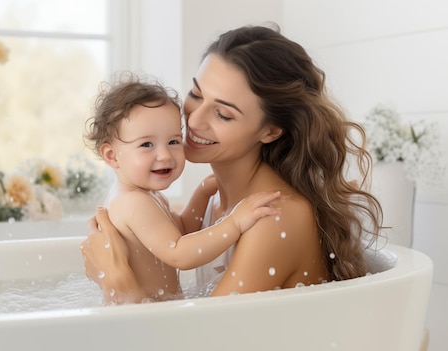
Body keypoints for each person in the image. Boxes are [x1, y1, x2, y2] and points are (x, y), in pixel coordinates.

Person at [80, 24, 382, 303]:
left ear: (270, 130)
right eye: (196, 94)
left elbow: (199, 341)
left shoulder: (272, 215)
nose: (194, 120)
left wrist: (117, 281)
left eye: (223, 114)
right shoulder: (221, 202)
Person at [84, 73, 282, 303]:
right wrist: (235, 223)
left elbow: (182, 230)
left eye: (174, 141)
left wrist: (202, 193)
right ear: (112, 156)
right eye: (147, 144)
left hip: (144, 307)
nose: (165, 154)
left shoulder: (145, 196)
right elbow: (179, 253)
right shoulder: (133, 203)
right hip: (139, 310)